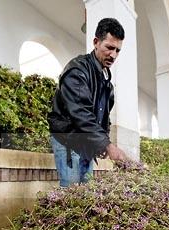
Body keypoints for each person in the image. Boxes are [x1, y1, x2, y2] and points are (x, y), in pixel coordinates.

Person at [48, 18, 127, 187]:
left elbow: (103, 116)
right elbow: (81, 114)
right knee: (71, 193)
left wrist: (101, 142)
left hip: (85, 142)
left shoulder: (106, 82)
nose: (113, 55)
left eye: (118, 50)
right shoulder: (77, 71)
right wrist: (107, 145)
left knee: (86, 190)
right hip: (68, 140)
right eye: (109, 47)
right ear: (96, 42)